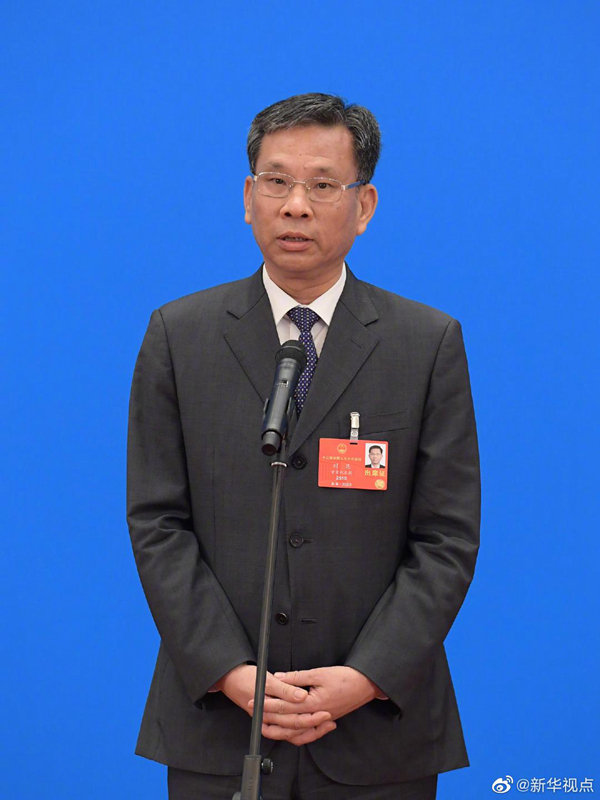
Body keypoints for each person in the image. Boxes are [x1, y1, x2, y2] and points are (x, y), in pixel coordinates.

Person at [127, 93, 481, 800]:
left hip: (376, 732)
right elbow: (157, 523)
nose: (295, 206)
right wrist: (230, 671)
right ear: (248, 197)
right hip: (219, 727)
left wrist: (365, 677)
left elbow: (446, 538)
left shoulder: (426, 344)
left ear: (364, 205)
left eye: (322, 185)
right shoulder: (179, 335)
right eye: (276, 181)